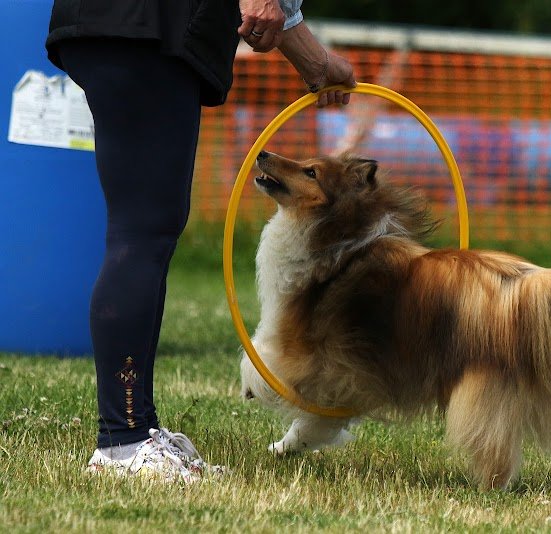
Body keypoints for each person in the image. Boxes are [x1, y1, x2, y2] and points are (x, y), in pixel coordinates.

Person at [45, 0, 356, 482]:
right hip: (149, 27)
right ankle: (122, 441)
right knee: (141, 231)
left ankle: (138, 428)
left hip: (118, 23)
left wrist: (316, 63)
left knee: (147, 231)